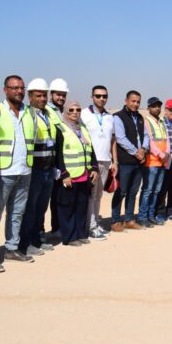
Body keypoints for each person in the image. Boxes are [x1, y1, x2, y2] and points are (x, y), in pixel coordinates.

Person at [0, 75, 36, 273]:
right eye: (14, 88)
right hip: (1, 172)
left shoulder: (30, 112)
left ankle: (12, 248)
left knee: (17, 213)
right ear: (5, 90)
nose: (19, 91)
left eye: (21, 88)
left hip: (24, 170)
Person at [19, 79, 59, 257]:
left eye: (44, 95)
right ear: (30, 96)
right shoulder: (27, 114)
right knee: (30, 208)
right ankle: (25, 243)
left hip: (48, 168)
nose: (42, 99)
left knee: (41, 207)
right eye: (38, 95)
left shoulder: (48, 114)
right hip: (34, 168)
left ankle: (36, 239)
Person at [55, 101, 98, 246]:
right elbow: (58, 155)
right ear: (66, 112)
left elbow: (90, 150)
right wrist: (64, 174)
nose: (75, 112)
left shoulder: (83, 128)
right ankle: (70, 237)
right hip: (69, 176)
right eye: (71, 110)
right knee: (68, 208)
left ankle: (81, 234)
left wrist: (94, 168)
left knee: (81, 206)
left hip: (84, 176)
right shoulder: (60, 129)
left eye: (78, 109)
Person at [81, 85, 116, 240]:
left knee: (98, 195)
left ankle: (94, 223)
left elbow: (113, 140)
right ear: (92, 97)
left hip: (106, 161)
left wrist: (115, 161)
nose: (102, 99)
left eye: (104, 96)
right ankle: (90, 227)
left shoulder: (109, 117)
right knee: (91, 195)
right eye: (98, 96)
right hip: (91, 162)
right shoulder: (84, 114)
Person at [111, 90, 149, 231]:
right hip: (125, 161)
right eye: (133, 101)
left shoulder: (140, 117)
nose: (135, 104)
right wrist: (136, 152)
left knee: (133, 192)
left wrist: (143, 149)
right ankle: (115, 220)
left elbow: (146, 135)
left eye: (138, 102)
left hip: (139, 162)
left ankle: (129, 219)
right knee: (121, 191)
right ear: (126, 101)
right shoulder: (118, 117)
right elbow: (120, 138)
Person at [139, 97, 168, 227]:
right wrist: (161, 154)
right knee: (147, 191)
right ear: (148, 108)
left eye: (158, 106)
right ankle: (142, 217)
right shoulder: (146, 121)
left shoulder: (162, 122)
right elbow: (149, 141)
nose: (157, 108)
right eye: (154, 106)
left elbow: (166, 139)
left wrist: (167, 153)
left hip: (162, 162)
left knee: (156, 191)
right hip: (151, 162)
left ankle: (151, 215)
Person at [47, 78, 69, 237]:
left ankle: (57, 227)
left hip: (63, 158)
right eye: (58, 94)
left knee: (59, 197)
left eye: (63, 95)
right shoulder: (47, 110)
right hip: (51, 159)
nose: (61, 97)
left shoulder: (65, 111)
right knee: (45, 199)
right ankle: (42, 230)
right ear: (51, 94)